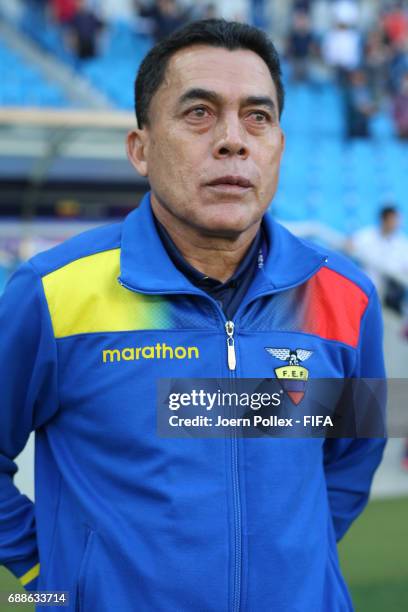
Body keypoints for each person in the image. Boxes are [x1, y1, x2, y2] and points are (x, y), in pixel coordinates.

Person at [0, 19, 386, 612]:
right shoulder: (51, 292)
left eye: (258, 116)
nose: (234, 140)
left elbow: (356, 450)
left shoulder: (347, 296)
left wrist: (292, 566)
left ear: (279, 144)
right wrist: (52, 582)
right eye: (199, 113)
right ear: (141, 148)